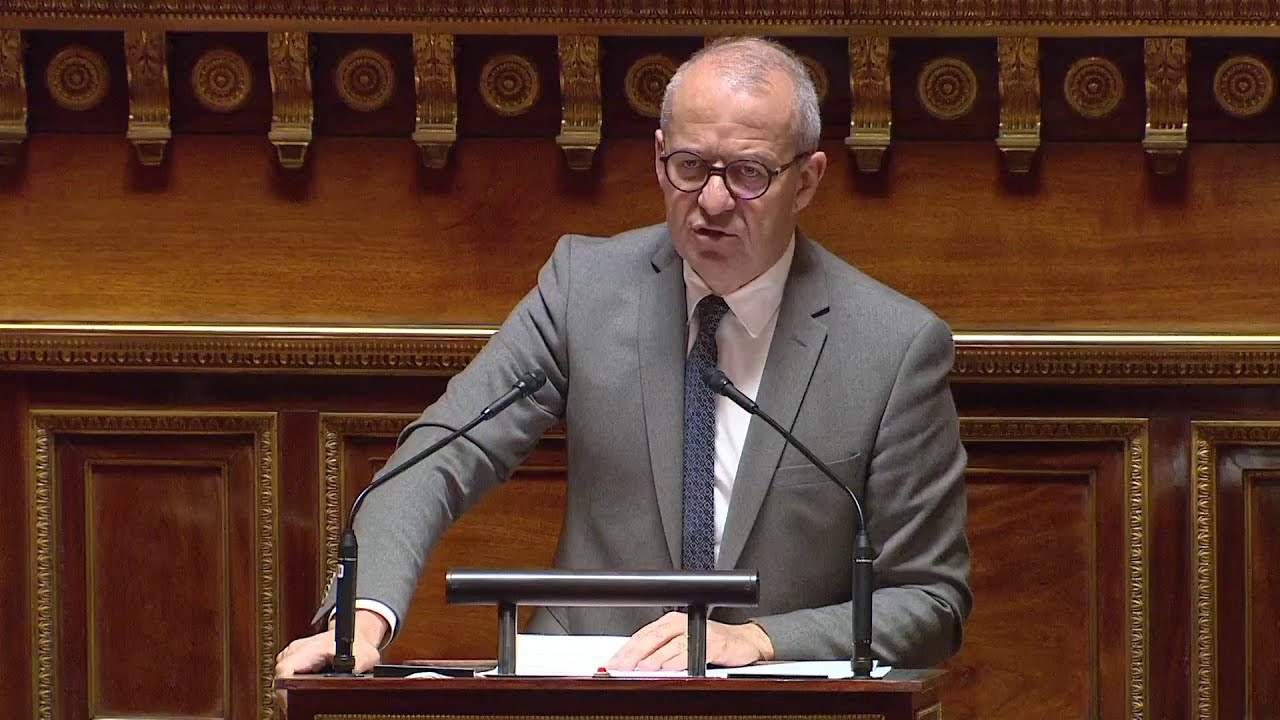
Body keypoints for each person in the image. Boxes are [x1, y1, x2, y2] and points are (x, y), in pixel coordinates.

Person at [275, 36, 971, 680]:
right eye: (690, 167)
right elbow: (442, 454)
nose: (713, 201)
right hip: (584, 689)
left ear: (808, 180)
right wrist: (360, 618)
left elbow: (931, 601)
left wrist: (762, 639)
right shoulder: (584, 289)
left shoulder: (891, 347)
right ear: (659, 158)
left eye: (749, 174)